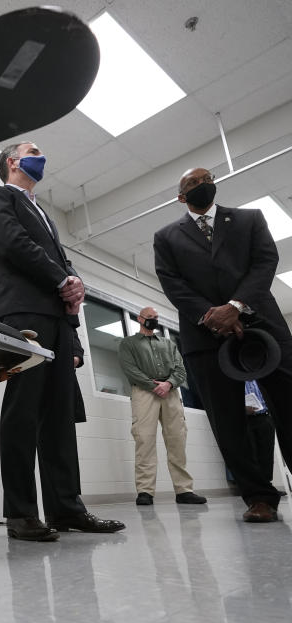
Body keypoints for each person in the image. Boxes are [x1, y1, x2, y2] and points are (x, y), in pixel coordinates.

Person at [0, 141, 125, 541]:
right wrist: (62, 279)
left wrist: (74, 282)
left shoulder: (42, 212)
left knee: (59, 417)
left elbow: (58, 258)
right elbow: (12, 243)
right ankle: (22, 513)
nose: (41, 155)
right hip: (24, 314)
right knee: (23, 411)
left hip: (59, 321)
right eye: (33, 150)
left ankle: (66, 508)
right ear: (12, 161)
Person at [153, 167, 292, 523]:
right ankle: (258, 497)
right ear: (181, 197)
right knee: (228, 421)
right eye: (192, 184)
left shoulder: (249, 219)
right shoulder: (166, 236)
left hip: (262, 325)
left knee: (289, 405)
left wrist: (236, 306)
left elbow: (265, 262)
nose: (203, 186)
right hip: (205, 337)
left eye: (207, 179)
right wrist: (211, 315)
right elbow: (172, 283)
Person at [118, 306, 206, 506]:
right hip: (143, 391)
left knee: (177, 440)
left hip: (171, 391)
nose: (153, 320)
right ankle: (145, 491)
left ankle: (184, 490)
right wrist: (152, 385)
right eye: (150, 317)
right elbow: (129, 369)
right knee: (144, 440)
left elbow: (180, 369)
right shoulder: (128, 343)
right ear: (140, 319)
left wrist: (168, 384)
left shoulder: (168, 344)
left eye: (156, 317)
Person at [244, 380, 278, 485]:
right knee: (250, 453)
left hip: (265, 417)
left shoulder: (261, 379)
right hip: (245, 419)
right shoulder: (236, 382)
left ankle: (268, 485)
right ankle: (256, 487)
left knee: (267, 453)